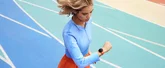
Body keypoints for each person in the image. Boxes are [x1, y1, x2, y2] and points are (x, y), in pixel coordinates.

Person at [57, 0, 112, 68]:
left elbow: (83, 40)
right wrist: (103, 50)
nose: (88, 16)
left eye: (91, 12)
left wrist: (88, 53)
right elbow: (80, 62)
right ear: (75, 11)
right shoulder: (69, 33)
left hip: (85, 61)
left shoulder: (87, 21)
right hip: (71, 65)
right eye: (84, 14)